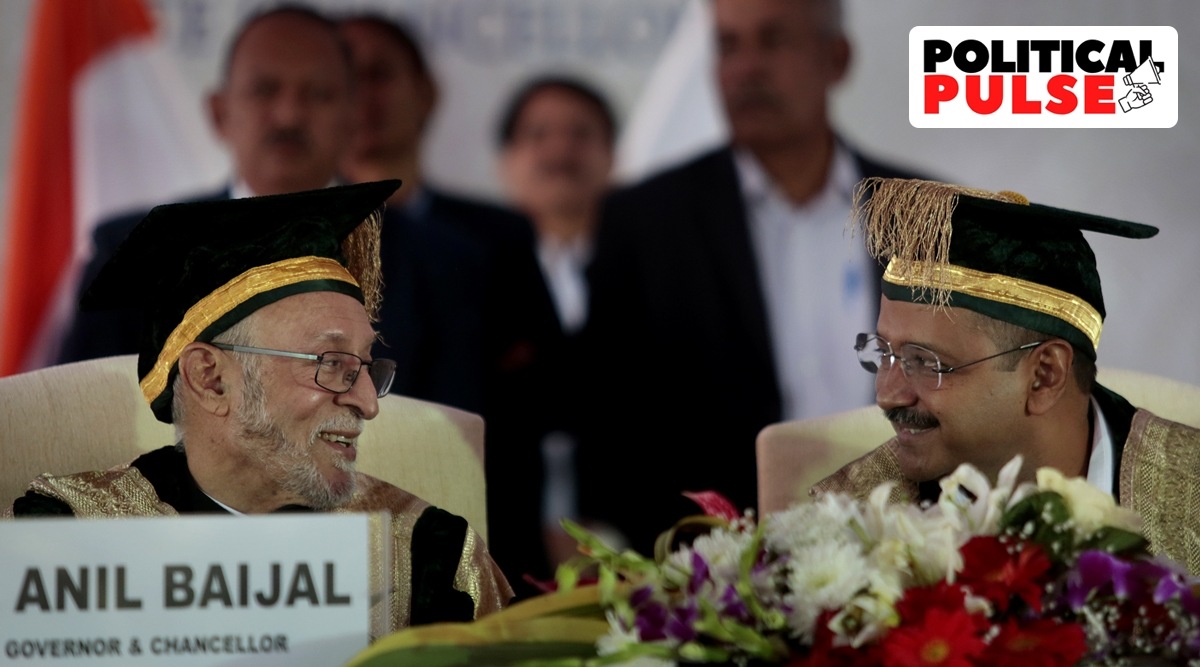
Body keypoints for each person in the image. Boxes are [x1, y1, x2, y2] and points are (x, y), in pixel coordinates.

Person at [6, 180, 514, 631]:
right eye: (331, 362)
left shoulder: (430, 556)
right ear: (210, 378)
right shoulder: (67, 536)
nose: (367, 403)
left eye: (365, 367)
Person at [578, 0, 925, 552]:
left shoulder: (927, 212)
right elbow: (605, 420)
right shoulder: (644, 220)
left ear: (836, 58)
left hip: (904, 555)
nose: (746, 68)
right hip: (711, 576)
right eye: (728, 45)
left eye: (773, 40)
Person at [811, 176, 1200, 574]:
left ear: (1044, 375)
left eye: (925, 362)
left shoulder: (1192, 504)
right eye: (885, 353)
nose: (887, 395)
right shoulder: (839, 531)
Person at [337, 13, 561, 596]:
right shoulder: (295, 243)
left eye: (380, 75)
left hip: (483, 537)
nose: (364, 97)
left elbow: (541, 399)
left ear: (426, 92)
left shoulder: (498, 238)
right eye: (344, 79)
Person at [58, 4, 355, 363]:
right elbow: (87, 406)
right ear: (219, 113)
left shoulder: (433, 268)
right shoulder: (132, 254)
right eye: (265, 89)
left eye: (318, 93)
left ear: (353, 118)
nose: (289, 115)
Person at [495, 76, 618, 564]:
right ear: (505, 161)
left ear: (611, 156)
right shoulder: (478, 273)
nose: (560, 150)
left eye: (581, 134)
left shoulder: (649, 269)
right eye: (538, 134)